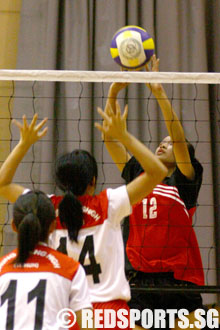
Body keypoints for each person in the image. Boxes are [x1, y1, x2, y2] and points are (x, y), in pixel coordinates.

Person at [0, 107, 167, 329]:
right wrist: (123, 136)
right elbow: (157, 171)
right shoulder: (109, 204)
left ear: (60, 181)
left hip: (67, 315)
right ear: (93, 181)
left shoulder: (45, 208)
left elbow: (3, 183)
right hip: (110, 314)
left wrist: (23, 144)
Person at [103, 55, 207, 330]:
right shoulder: (139, 175)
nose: (163, 145)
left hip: (179, 280)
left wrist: (159, 94)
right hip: (139, 279)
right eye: (160, 142)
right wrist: (114, 91)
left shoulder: (184, 180)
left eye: (168, 144)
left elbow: (181, 140)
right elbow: (110, 139)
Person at [0, 190, 93, 330]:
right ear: (53, 226)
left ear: (14, 226)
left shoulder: (2, 267)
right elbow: (87, 326)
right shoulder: (70, 269)